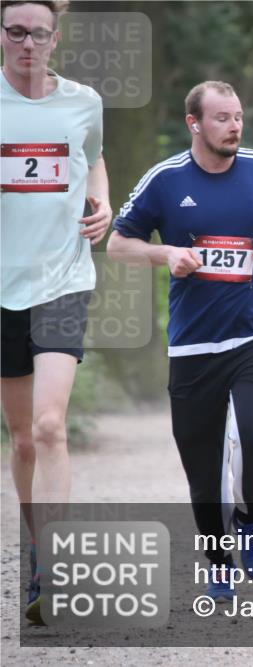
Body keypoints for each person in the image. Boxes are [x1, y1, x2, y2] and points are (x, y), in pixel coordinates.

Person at [107, 81, 253, 603]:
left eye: (238, 116)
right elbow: (118, 244)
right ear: (194, 123)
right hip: (195, 344)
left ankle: (251, 515)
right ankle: (218, 561)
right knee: (202, 465)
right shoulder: (166, 180)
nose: (235, 126)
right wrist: (166, 254)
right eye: (222, 118)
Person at [0, 0, 111, 624]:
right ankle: (37, 541)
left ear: (54, 38)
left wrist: (101, 203)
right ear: (1, 35)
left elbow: (91, 158)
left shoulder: (83, 102)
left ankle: (52, 566)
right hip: (1, 285)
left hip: (63, 278)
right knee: (20, 441)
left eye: (38, 34)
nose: (27, 44)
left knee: (49, 427)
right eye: (16, 32)